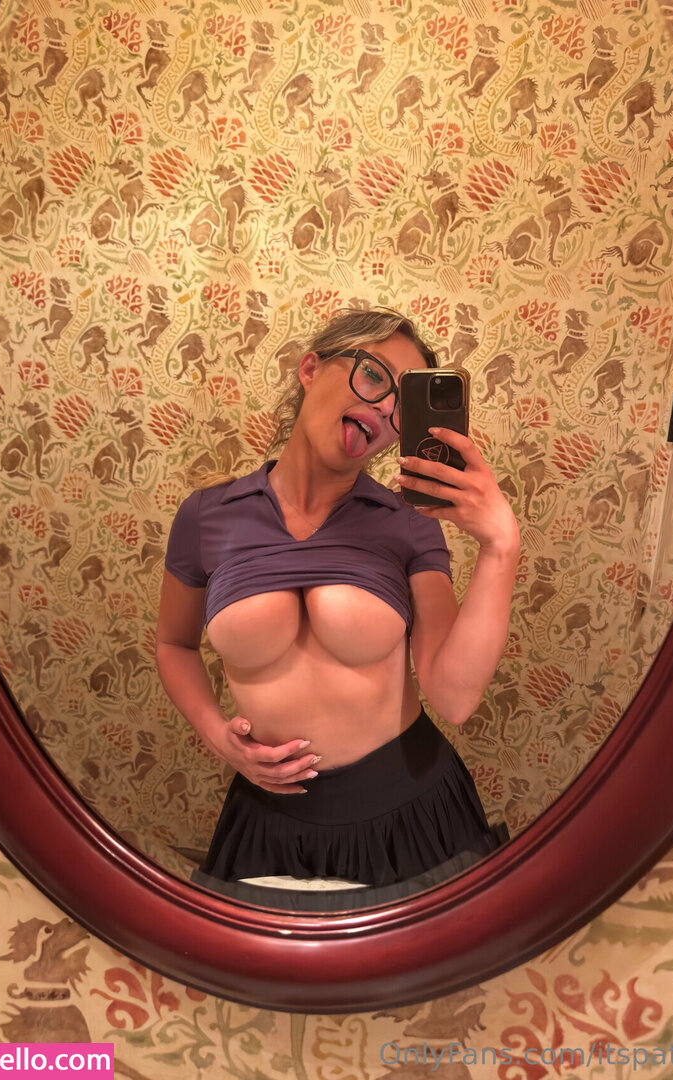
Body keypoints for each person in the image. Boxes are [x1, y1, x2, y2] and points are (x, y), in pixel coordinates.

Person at [156, 308, 520, 889]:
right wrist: (216, 735)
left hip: (409, 817)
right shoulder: (207, 516)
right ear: (310, 370)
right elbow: (174, 644)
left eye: (402, 404)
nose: (383, 406)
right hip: (267, 821)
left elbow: (454, 698)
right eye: (373, 375)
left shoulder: (409, 522)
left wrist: (501, 546)